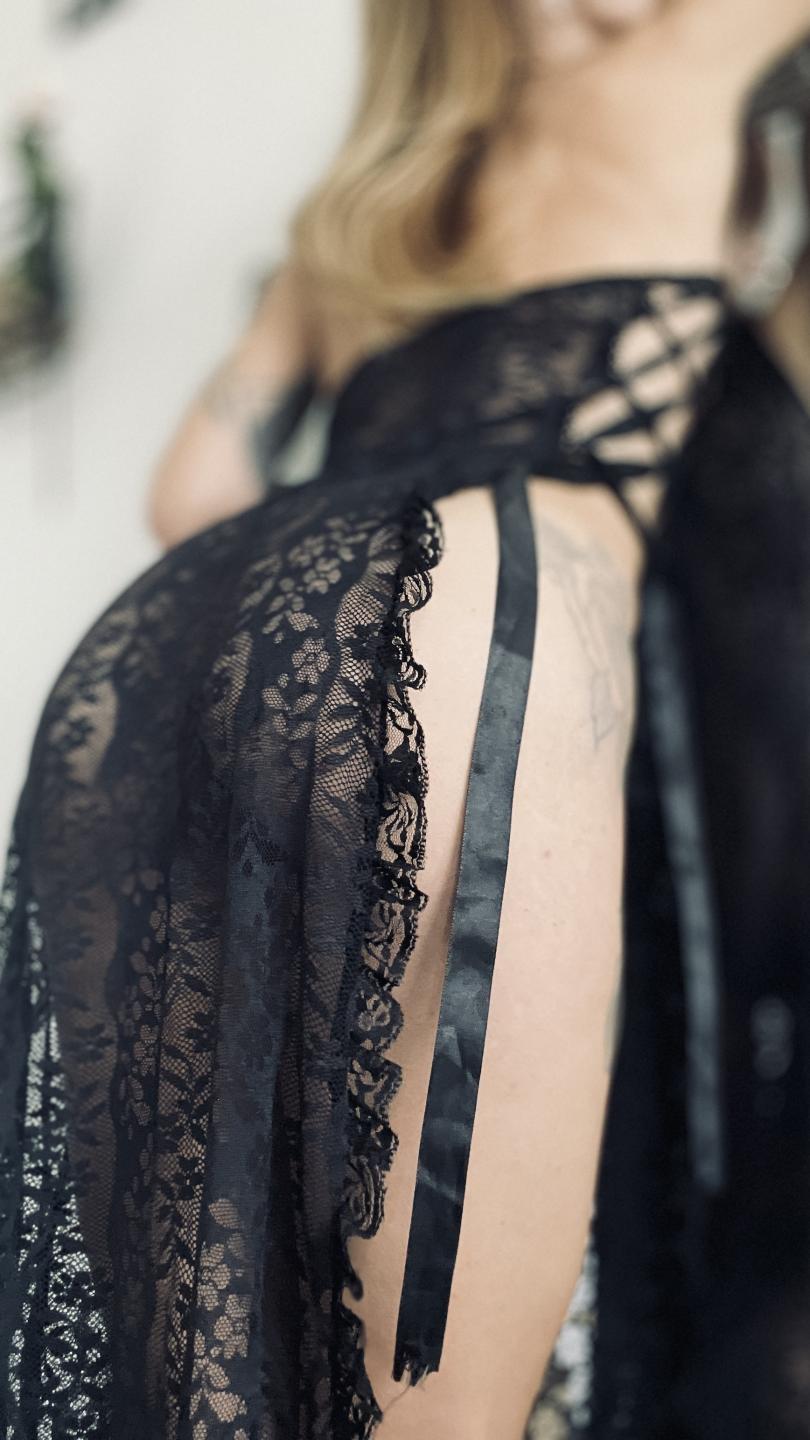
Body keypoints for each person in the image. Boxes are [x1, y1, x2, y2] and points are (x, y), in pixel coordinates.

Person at [1, 4, 808, 1440]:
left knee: (211, 1354)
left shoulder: (359, 209)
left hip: (209, 635)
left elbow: (191, 491)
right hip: (488, 618)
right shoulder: (704, 57)